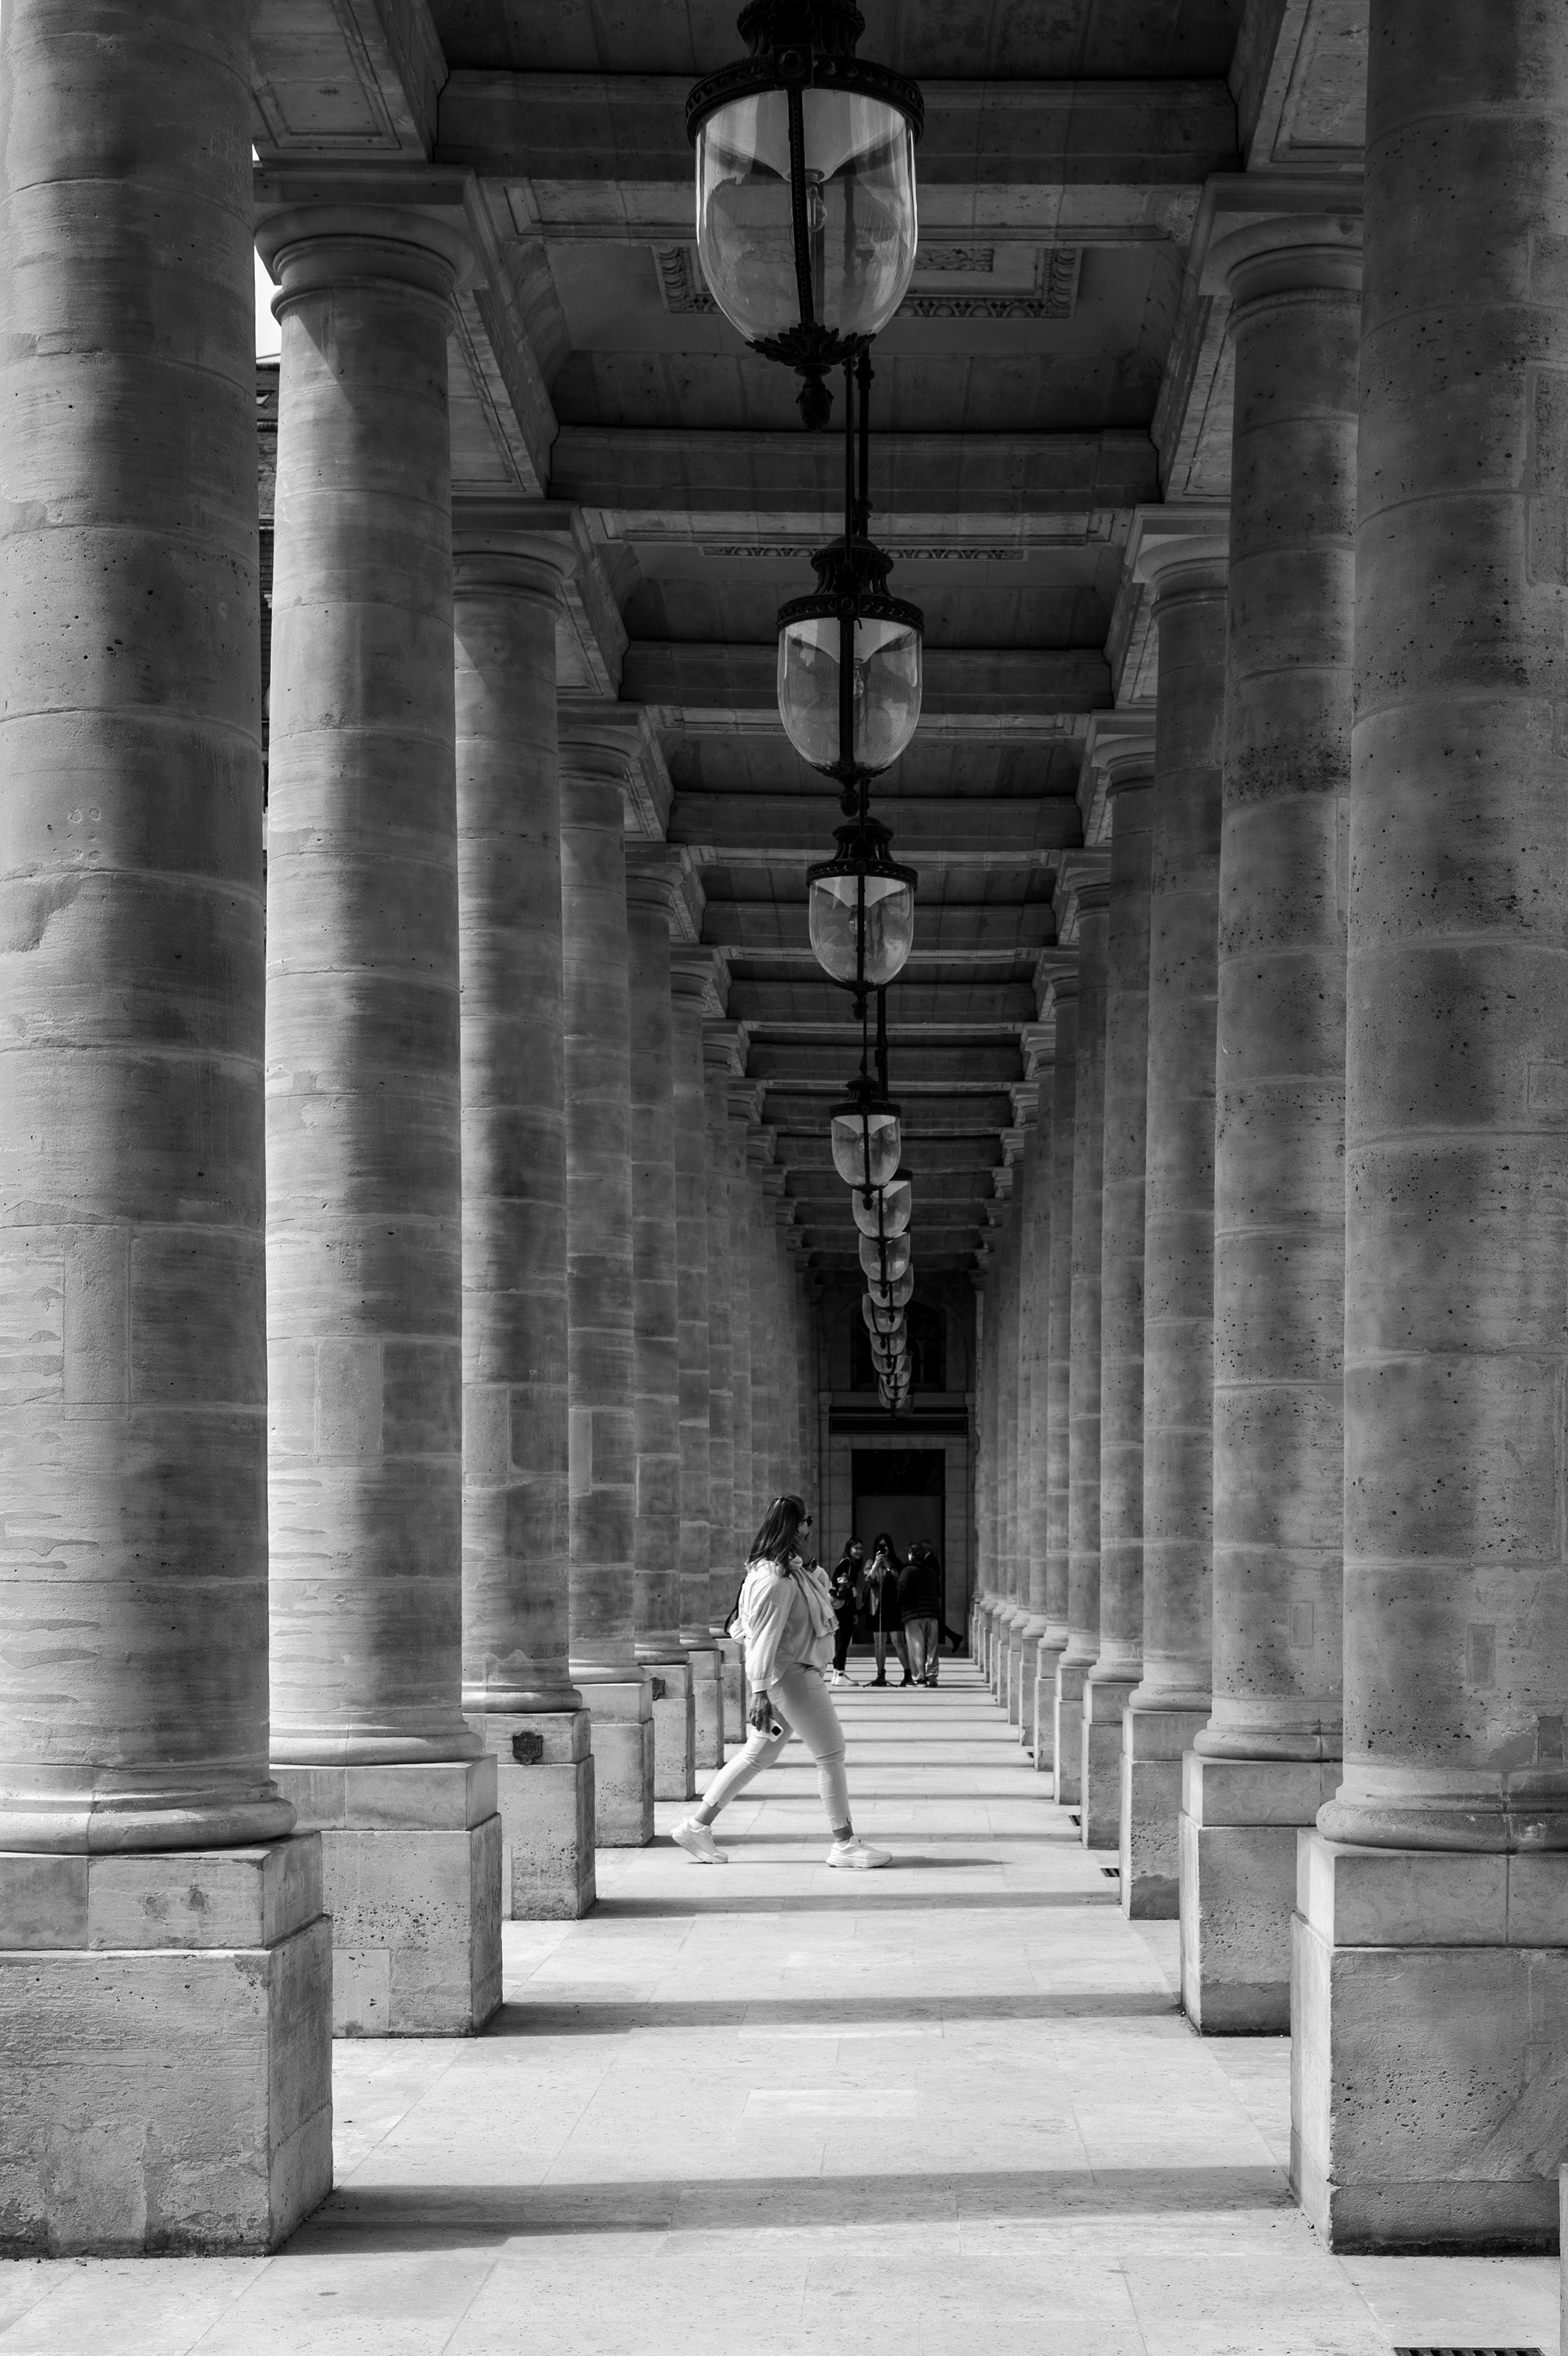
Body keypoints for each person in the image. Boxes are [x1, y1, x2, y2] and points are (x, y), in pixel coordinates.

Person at [671, 1497, 890, 1870]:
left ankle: (696, 1826)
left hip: (791, 1671)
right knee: (831, 1753)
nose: (810, 1528)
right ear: (793, 1526)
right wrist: (758, 1690)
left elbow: (818, 1606)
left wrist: (816, 1575)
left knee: (759, 1754)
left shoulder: (791, 1572)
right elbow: (763, 1638)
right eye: (807, 1521)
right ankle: (844, 1843)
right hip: (792, 1674)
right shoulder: (776, 1579)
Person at [866, 1532, 912, 1687]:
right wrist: (876, 1565)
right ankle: (880, 1674)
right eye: (880, 1546)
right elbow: (869, 1580)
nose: (883, 1549)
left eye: (885, 1546)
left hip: (894, 1607)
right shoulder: (871, 1562)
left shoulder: (897, 1564)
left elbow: (903, 1582)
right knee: (879, 1642)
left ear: (890, 1547)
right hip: (877, 1607)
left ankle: (908, 1674)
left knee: (898, 1641)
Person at [899, 1540, 943, 1686]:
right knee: (932, 1646)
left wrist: (901, 1607)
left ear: (911, 1555)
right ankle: (932, 1674)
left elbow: (902, 1592)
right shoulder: (931, 1571)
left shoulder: (907, 1570)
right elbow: (938, 1592)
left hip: (913, 1614)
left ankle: (919, 1676)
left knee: (916, 1646)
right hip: (932, 1613)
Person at [829, 1538, 865, 1686]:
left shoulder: (848, 1563)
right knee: (843, 1641)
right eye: (856, 1548)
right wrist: (851, 1588)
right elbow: (836, 1579)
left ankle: (836, 1673)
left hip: (842, 1607)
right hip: (844, 1607)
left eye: (861, 1548)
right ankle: (841, 1674)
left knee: (839, 1640)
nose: (859, 1551)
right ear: (849, 1550)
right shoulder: (847, 1563)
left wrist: (854, 1612)